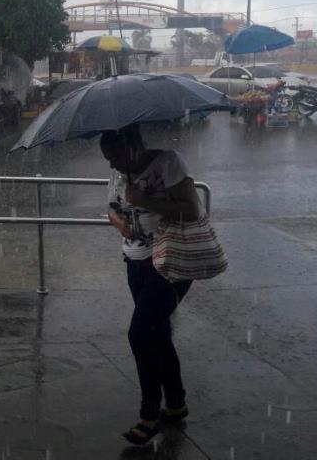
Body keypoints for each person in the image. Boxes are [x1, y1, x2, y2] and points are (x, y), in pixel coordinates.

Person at [100, 125, 202, 446]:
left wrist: (145, 200)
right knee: (158, 333)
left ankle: (150, 413)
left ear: (134, 145)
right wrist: (121, 223)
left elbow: (191, 209)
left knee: (141, 332)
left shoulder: (168, 163)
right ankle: (176, 403)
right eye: (108, 159)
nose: (113, 165)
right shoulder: (119, 175)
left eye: (115, 156)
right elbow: (114, 211)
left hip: (170, 260)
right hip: (136, 262)